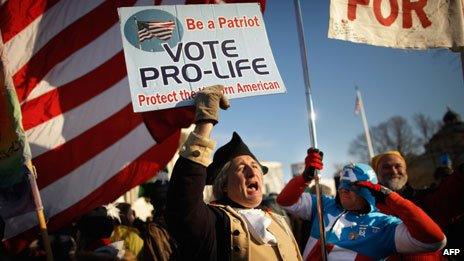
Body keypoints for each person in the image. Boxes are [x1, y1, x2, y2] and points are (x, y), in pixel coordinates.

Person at [165, 85, 302, 260]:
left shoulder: (279, 221)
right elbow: (183, 199)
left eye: (255, 165)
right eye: (241, 168)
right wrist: (205, 121)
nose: (252, 171)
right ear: (224, 187)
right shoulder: (213, 222)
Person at [277, 149, 446, 260]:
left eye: (352, 185)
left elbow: (435, 241)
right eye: (342, 183)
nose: (344, 189)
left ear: (368, 189)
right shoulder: (324, 205)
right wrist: (305, 177)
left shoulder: (384, 224)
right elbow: (284, 201)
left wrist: (393, 199)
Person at [372, 151, 464, 260]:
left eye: (398, 166)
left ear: (405, 170)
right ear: (377, 174)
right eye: (386, 167)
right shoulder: (368, 208)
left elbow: (451, 193)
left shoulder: (425, 198)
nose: (393, 171)